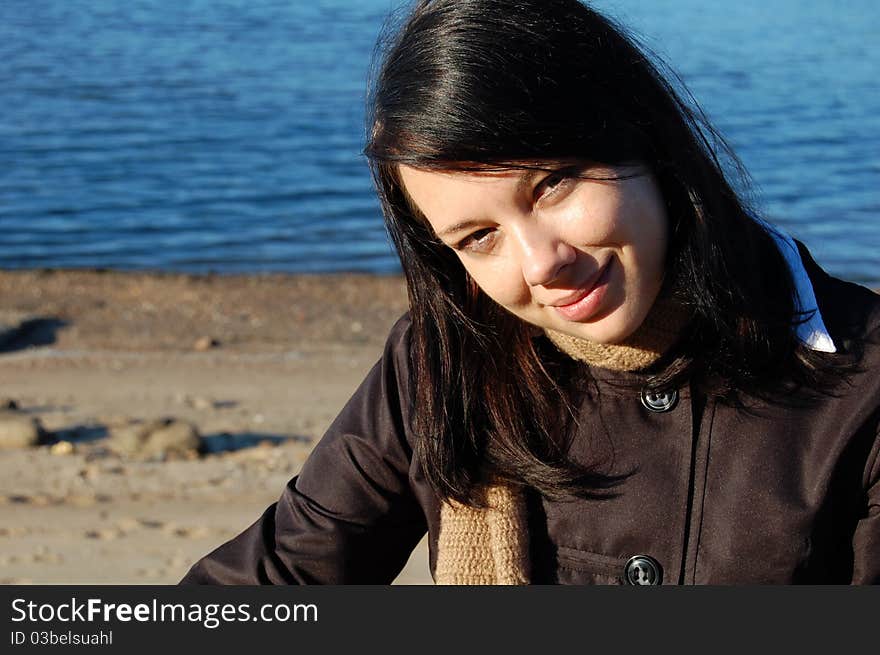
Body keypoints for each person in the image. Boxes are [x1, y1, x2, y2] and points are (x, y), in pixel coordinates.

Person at [181, 0, 880, 585]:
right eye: (477, 236)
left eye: (552, 184)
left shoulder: (860, 383)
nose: (543, 262)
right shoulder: (440, 364)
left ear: (641, 135)